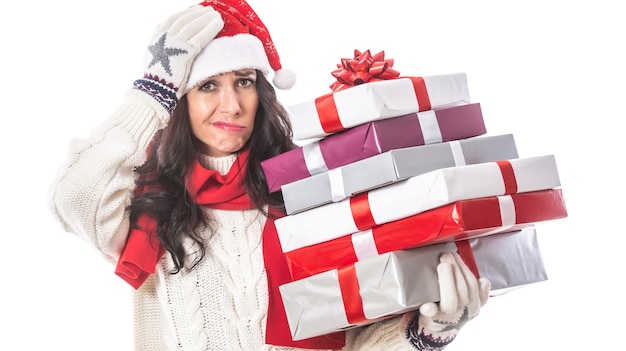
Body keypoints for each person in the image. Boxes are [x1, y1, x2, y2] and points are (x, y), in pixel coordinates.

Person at [47, 1, 491, 350]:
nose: (231, 106)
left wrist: (430, 330)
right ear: (179, 100)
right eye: (206, 86)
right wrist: (151, 92)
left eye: (243, 81)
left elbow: (352, 341)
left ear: (261, 91)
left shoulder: (311, 197)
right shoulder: (148, 209)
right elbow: (73, 191)